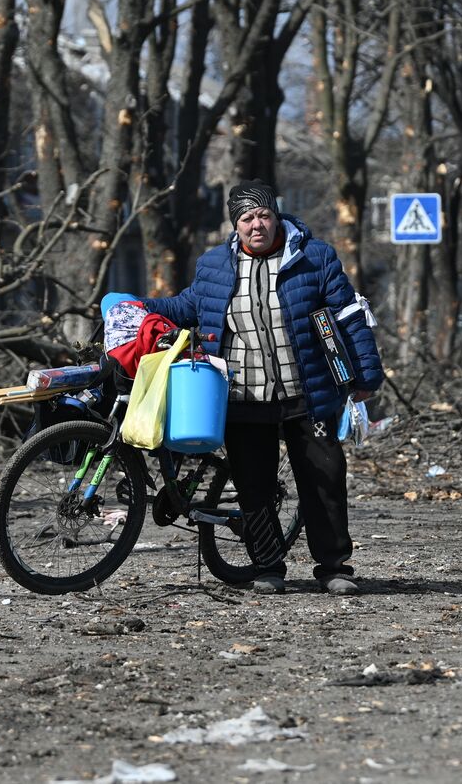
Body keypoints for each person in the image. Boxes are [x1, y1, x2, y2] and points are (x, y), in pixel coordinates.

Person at [144, 180, 382, 595]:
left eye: (264, 215)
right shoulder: (214, 265)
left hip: (308, 392)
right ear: (235, 225)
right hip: (244, 396)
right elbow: (188, 307)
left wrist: (366, 375)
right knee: (254, 485)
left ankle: (334, 567)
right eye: (247, 218)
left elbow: (348, 316)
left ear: (277, 216)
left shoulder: (315, 257)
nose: (257, 225)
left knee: (324, 477)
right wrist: (136, 305)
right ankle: (268, 565)